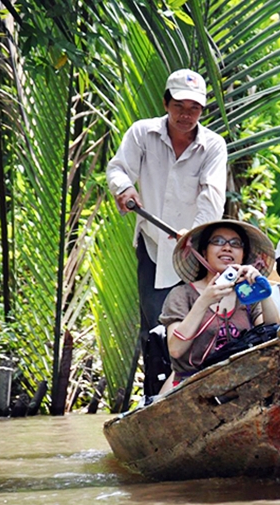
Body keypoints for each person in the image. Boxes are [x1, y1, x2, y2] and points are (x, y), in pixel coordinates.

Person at [105, 68, 227, 391]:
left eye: (194, 109)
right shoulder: (142, 134)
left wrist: (195, 235)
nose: (186, 116)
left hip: (193, 251)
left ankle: (196, 388)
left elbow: (212, 197)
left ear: (202, 111)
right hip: (153, 246)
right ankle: (154, 396)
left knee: (199, 322)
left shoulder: (213, 146)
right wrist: (124, 189)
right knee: (156, 327)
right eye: (179, 107)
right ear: (165, 102)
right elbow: (118, 168)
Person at [159, 220, 280, 388]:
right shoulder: (182, 295)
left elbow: (271, 333)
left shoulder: (245, 295)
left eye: (236, 244)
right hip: (190, 389)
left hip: (240, 386)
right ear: (204, 251)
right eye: (218, 241)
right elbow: (176, 349)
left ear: (243, 255)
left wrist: (261, 288)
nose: (227, 248)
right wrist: (204, 301)